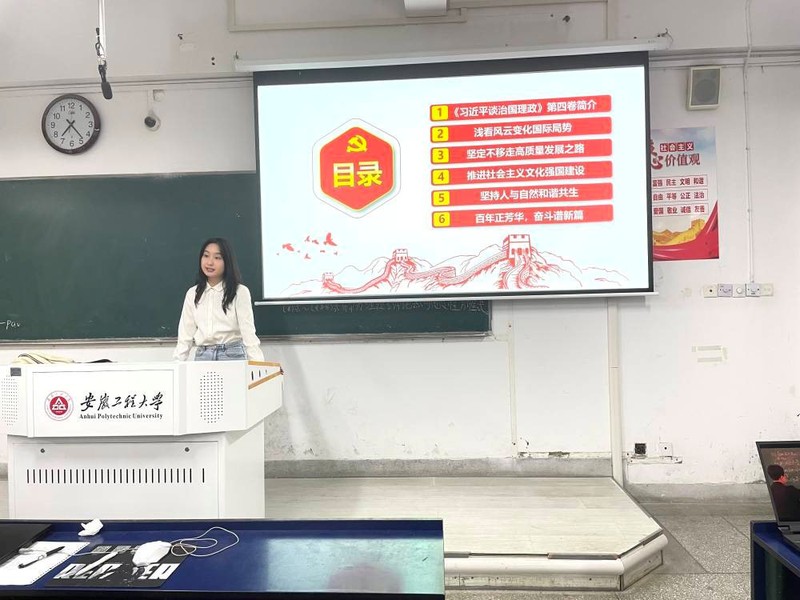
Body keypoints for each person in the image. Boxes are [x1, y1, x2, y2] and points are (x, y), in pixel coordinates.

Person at [174, 237, 264, 362]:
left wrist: (258, 365)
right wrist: (177, 363)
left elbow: (248, 333)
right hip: (203, 355)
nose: (209, 262)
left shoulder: (239, 292)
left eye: (217, 258)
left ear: (227, 261)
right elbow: (185, 335)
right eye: (206, 256)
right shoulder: (192, 293)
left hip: (231, 354)